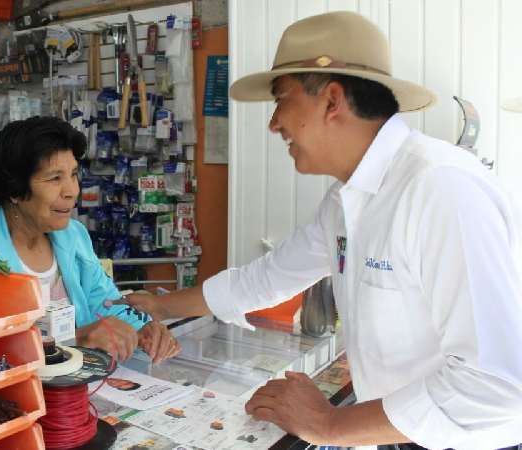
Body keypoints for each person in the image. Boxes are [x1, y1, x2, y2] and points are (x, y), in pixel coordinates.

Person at [110, 11, 522, 449]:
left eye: (281, 99)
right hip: (397, 434)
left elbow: (496, 384)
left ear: (331, 100)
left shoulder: (440, 187)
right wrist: (160, 306)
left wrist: (329, 425)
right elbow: (266, 279)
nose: (273, 123)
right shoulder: (347, 200)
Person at [0, 116, 180, 364]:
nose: (72, 191)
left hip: (75, 390)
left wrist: (142, 329)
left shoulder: (73, 235)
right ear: (15, 189)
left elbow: (104, 301)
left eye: (73, 174)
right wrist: (75, 340)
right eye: (54, 178)